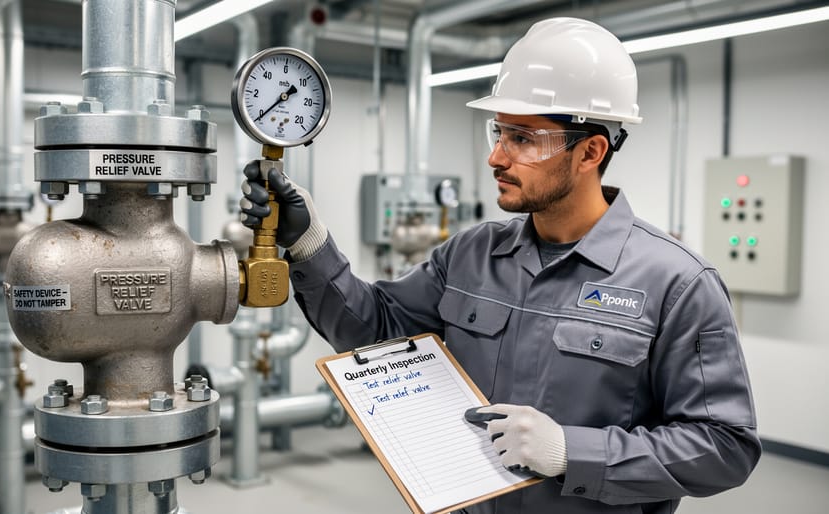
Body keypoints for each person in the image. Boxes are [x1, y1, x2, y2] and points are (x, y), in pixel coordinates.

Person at [240, 17, 760, 514]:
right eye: (499, 132)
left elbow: (724, 445)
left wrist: (569, 451)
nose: (496, 157)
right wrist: (308, 242)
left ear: (590, 152)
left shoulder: (678, 284)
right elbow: (375, 331)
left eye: (523, 139)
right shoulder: (470, 256)